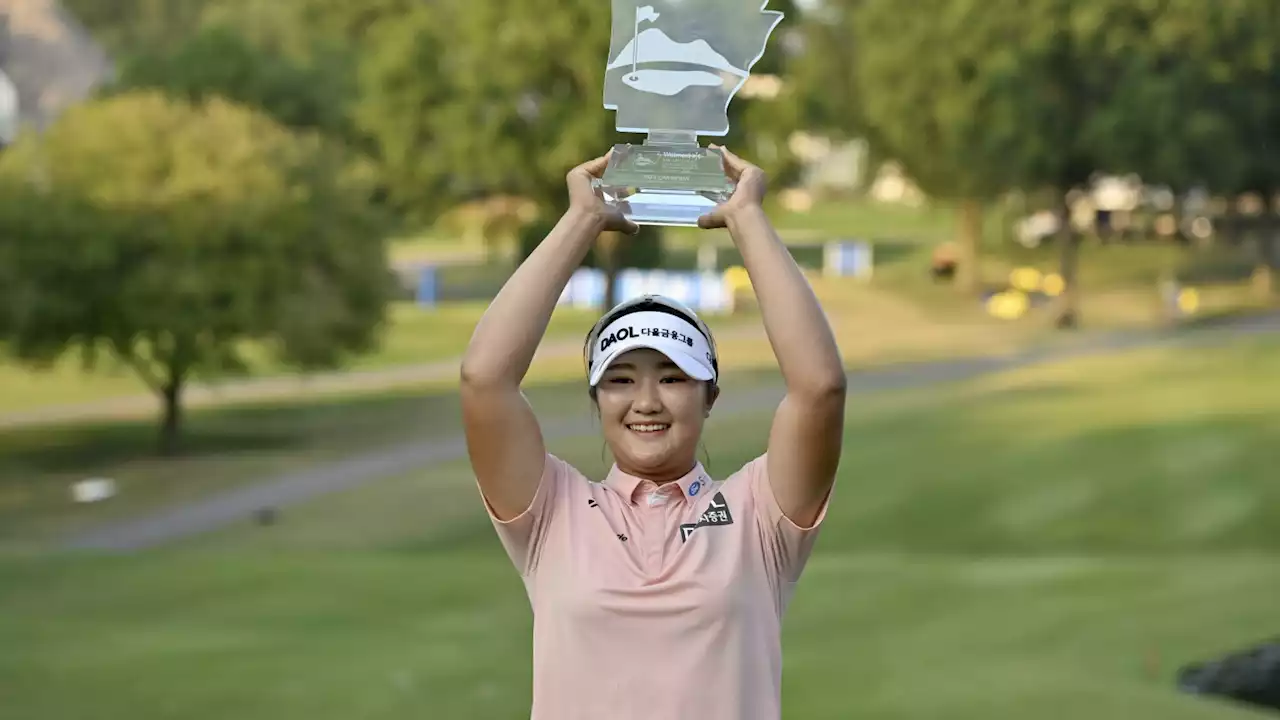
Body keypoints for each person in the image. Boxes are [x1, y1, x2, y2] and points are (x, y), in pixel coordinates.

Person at [459, 146, 847, 720]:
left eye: (672, 377)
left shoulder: (759, 513)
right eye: (619, 380)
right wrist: (580, 221)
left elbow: (820, 388)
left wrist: (747, 219)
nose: (645, 401)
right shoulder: (552, 511)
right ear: (597, 400)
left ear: (709, 395)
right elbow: (484, 380)